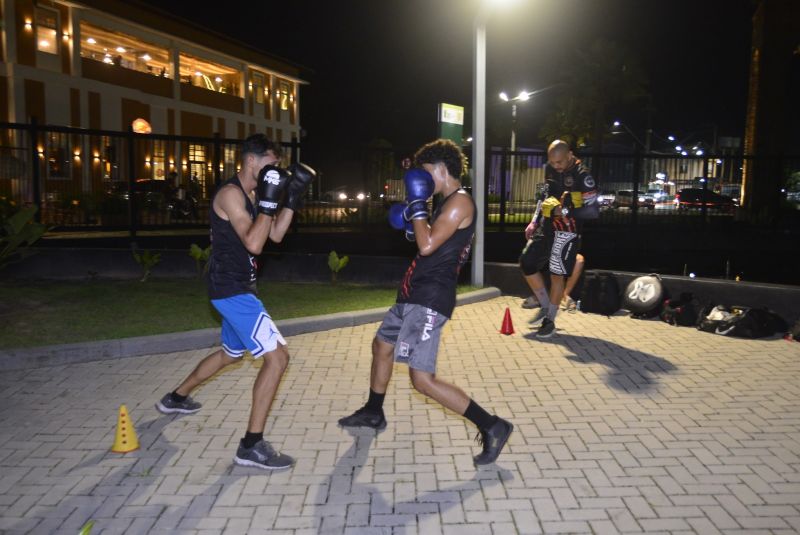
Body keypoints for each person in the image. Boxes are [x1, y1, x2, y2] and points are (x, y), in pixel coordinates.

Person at [338, 139, 513, 466]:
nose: (421, 180)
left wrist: (417, 206)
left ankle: (492, 425)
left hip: (430, 299)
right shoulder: (446, 203)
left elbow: (428, 244)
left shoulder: (460, 203)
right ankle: (374, 412)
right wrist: (411, 220)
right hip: (412, 292)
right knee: (381, 346)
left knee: (422, 379)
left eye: (426, 173)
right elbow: (424, 239)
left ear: (442, 170)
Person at [155, 133, 315, 470]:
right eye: (272, 166)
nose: (277, 173)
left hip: (237, 287)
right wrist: (270, 200)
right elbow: (254, 245)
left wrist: (292, 199)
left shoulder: (255, 194)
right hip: (232, 290)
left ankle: (176, 398)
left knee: (230, 354)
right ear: (252, 161)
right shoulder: (230, 194)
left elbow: (274, 235)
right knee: (278, 359)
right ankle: (251, 446)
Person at [519, 140, 598, 338]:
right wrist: (533, 221)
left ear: (570, 155)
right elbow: (543, 196)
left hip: (567, 231)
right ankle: (546, 306)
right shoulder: (549, 169)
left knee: (556, 274)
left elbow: (592, 211)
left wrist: (564, 210)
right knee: (527, 262)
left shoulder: (583, 175)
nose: (556, 166)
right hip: (546, 226)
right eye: (552, 162)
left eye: (560, 162)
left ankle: (550, 320)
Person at [520, 253, 585, 312]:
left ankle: (565, 296)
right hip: (545, 252)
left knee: (579, 260)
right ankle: (541, 296)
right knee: (526, 259)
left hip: (562, 251)